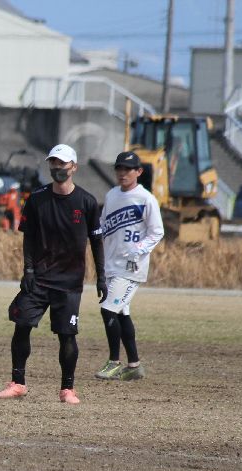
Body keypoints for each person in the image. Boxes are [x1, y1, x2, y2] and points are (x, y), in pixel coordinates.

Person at [0, 144, 106, 405]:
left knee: (67, 335)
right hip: (39, 278)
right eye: (53, 163)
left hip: (69, 282)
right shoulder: (37, 199)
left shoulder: (87, 202)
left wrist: (101, 276)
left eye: (62, 163)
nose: (57, 168)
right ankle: (18, 383)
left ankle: (67, 389)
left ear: (73, 167)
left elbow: (96, 242)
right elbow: (28, 238)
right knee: (21, 326)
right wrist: (28, 270)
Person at [95, 151, 164, 381]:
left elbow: (157, 232)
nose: (122, 173)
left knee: (108, 309)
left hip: (131, 267)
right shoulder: (112, 195)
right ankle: (134, 366)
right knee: (122, 314)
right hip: (111, 264)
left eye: (128, 169)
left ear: (139, 172)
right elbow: (104, 225)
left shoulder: (146, 199)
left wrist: (139, 248)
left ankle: (114, 363)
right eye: (119, 168)